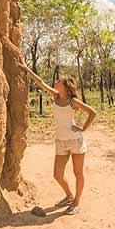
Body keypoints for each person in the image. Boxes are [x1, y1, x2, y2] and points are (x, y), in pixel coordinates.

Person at [23, 66, 97, 215]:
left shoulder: (73, 101)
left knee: (78, 173)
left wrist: (83, 128)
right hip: (61, 142)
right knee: (57, 175)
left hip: (75, 141)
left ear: (65, 86)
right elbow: (40, 82)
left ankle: (76, 202)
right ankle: (69, 196)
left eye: (59, 81)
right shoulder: (56, 96)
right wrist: (25, 69)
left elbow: (92, 112)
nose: (56, 82)